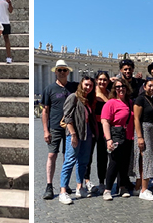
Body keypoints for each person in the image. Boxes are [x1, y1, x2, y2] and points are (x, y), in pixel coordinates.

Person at [41, 60, 78, 200]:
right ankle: (49, 185)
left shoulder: (74, 87)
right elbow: (45, 111)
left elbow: (90, 86)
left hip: (71, 127)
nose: (62, 72)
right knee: (52, 155)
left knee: (67, 156)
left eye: (64, 70)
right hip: (55, 127)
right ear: (55, 72)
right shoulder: (49, 89)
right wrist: (46, 130)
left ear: (68, 72)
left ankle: (65, 183)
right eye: (59, 70)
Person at [57, 77, 96, 205]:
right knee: (69, 161)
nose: (88, 87)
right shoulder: (73, 97)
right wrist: (73, 134)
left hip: (87, 135)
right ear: (81, 84)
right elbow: (67, 116)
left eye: (90, 86)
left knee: (83, 162)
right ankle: (63, 191)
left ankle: (80, 187)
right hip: (74, 134)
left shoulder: (87, 100)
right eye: (86, 85)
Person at [101, 78, 136, 201]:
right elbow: (105, 121)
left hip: (128, 137)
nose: (121, 89)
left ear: (127, 88)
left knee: (125, 163)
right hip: (115, 136)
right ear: (114, 90)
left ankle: (122, 187)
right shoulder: (111, 103)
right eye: (117, 87)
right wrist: (108, 139)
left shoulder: (130, 103)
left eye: (123, 86)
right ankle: (107, 189)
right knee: (114, 163)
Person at [84, 71, 111, 195]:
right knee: (88, 155)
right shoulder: (91, 93)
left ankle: (101, 181)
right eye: (100, 79)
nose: (102, 82)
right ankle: (87, 181)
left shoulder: (110, 94)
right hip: (92, 127)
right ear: (96, 80)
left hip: (105, 128)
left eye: (105, 80)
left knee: (103, 156)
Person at [132, 78, 153, 201]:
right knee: (147, 159)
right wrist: (140, 137)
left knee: (145, 159)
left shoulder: (152, 99)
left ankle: (138, 187)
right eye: (150, 86)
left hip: (151, 130)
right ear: (145, 86)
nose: (152, 88)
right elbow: (136, 119)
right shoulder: (140, 99)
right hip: (144, 130)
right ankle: (144, 190)